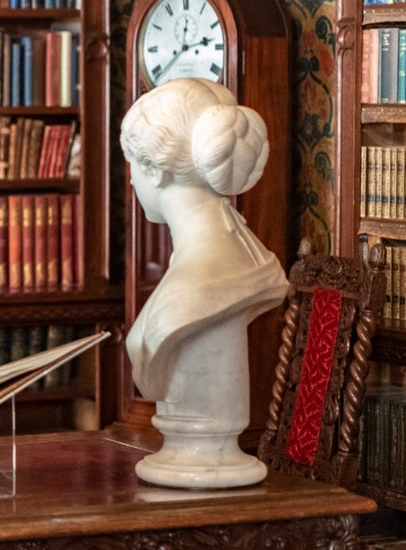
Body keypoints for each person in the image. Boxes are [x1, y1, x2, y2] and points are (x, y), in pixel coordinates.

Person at [120, 77, 287, 488]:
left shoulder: (199, 284)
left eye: (131, 167)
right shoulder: (240, 257)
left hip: (205, 466)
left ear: (154, 171)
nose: (130, 182)